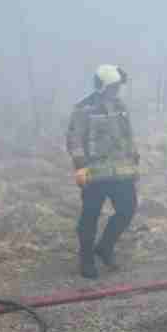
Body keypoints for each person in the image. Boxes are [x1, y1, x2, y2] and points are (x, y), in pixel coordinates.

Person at [66, 64, 140, 279]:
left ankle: (105, 246)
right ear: (103, 86)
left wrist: (134, 157)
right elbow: (74, 139)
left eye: (118, 86)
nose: (117, 90)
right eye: (114, 86)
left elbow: (127, 135)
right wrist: (80, 165)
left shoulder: (120, 104)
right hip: (95, 172)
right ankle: (86, 260)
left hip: (121, 170)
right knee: (90, 216)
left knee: (128, 209)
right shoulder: (83, 108)